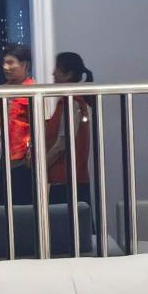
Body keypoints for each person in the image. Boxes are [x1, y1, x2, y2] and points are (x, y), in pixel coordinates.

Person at [41, 50, 98, 254]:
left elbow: (63, 143)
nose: (53, 74)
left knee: (65, 235)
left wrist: (42, 163)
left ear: (68, 74)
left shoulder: (71, 103)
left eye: (57, 68)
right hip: (73, 177)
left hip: (65, 178)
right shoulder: (75, 102)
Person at [0, 42, 37, 252]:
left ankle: (24, 248)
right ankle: (3, 247)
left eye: (11, 63)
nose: (6, 67)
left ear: (24, 64)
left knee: (21, 206)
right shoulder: (2, 89)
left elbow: (38, 124)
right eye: (4, 63)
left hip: (21, 159)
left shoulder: (33, 89)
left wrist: (32, 151)